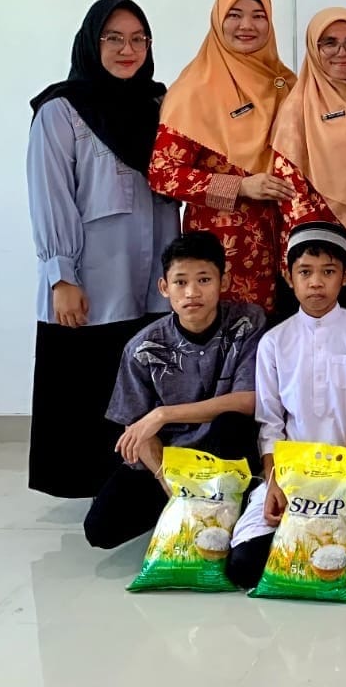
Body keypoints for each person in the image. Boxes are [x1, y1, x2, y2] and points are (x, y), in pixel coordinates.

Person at [27, 0, 181, 498]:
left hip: (155, 281)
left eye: (138, 39)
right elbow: (50, 196)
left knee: (145, 379)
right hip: (95, 280)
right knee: (89, 383)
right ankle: (92, 489)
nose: (126, 49)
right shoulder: (61, 111)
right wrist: (61, 277)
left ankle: (140, 488)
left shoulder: (161, 106)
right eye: (113, 38)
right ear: (91, 43)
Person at [226, 222, 346, 588]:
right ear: (289, 277)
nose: (316, 283)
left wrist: (341, 470)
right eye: (305, 272)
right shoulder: (274, 342)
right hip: (292, 475)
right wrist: (275, 482)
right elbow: (270, 423)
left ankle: (317, 552)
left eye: (328, 272)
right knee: (244, 566)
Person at [84, 232, 265, 548]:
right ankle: (182, 511)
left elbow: (246, 401)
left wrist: (163, 414)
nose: (192, 292)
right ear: (164, 287)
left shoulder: (247, 322)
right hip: (172, 458)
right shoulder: (142, 347)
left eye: (204, 280)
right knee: (100, 530)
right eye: (180, 282)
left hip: (226, 455)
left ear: (223, 281)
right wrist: (168, 482)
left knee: (232, 423)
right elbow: (137, 429)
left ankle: (232, 509)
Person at [149, 0, 295, 312]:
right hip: (223, 255)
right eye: (235, 15)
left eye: (258, 16)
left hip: (285, 247)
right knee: (228, 337)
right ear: (218, 21)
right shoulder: (194, 89)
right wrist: (240, 186)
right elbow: (163, 174)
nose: (247, 25)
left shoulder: (286, 84)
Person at [271, 7, 346, 317]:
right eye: (329, 43)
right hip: (315, 264)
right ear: (314, 48)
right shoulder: (296, 110)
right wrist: (334, 252)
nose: (342, 52)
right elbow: (290, 191)